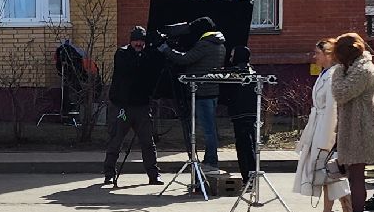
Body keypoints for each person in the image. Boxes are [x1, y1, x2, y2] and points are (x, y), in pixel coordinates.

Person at [325, 32, 374, 212]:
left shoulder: (363, 69)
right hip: (351, 129)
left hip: (361, 130)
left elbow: (341, 93)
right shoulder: (351, 68)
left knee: (357, 176)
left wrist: (338, 71)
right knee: (352, 175)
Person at [295, 40, 346, 212]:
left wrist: (327, 138)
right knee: (330, 173)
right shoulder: (325, 73)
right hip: (318, 125)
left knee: (328, 172)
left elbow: (333, 108)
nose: (314, 57)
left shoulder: (334, 75)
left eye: (317, 53)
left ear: (329, 54)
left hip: (326, 129)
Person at [160, 17, 226, 167]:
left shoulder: (205, 44)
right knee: (211, 127)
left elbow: (185, 59)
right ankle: (211, 158)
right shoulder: (220, 44)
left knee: (208, 129)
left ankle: (211, 160)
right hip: (212, 91)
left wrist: (166, 50)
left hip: (202, 92)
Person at [101, 26, 162, 187]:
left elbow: (153, 73)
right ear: (131, 41)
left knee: (148, 142)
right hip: (122, 106)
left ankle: (153, 175)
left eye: (142, 41)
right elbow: (129, 70)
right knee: (116, 140)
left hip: (142, 106)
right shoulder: (122, 54)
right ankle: (109, 174)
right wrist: (142, 56)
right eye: (136, 40)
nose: (139, 44)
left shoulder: (148, 56)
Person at [221, 43, 260, 176]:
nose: (230, 57)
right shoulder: (252, 71)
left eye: (232, 55)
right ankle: (252, 173)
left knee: (243, 147)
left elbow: (229, 93)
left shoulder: (235, 73)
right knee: (252, 145)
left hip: (240, 114)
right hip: (252, 113)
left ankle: (247, 175)